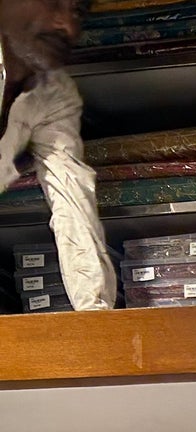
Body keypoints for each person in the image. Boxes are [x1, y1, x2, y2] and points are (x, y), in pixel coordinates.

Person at [0, 0, 114, 311]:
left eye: (77, 12)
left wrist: (94, 310)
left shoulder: (54, 94)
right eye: (52, 3)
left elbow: (71, 194)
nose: (67, 25)